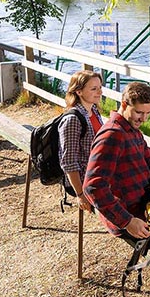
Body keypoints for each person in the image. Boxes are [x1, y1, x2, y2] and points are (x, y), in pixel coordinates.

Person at [83, 81, 150, 242]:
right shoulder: (113, 135)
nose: (144, 119)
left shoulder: (132, 129)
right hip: (130, 218)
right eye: (139, 112)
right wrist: (127, 221)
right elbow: (92, 186)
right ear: (124, 104)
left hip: (145, 206)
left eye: (148, 113)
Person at [58, 70, 105, 212]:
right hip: (87, 178)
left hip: (100, 170)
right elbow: (69, 162)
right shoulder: (73, 119)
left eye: (100, 87)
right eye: (93, 89)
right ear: (78, 92)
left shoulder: (94, 111)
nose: (99, 92)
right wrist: (80, 194)